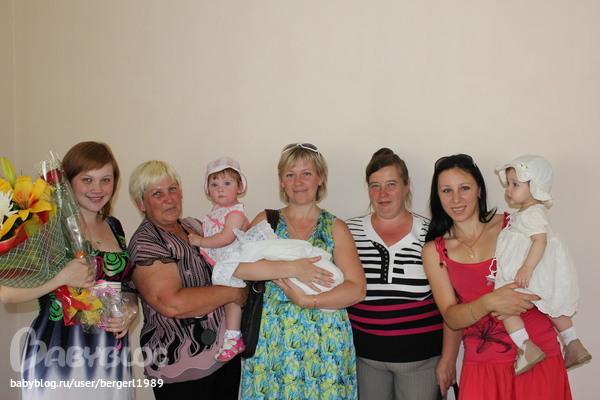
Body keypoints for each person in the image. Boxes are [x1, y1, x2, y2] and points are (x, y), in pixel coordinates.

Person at [422, 154, 572, 399]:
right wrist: (489, 302)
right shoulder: (435, 251)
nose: (456, 199)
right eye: (447, 190)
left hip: (540, 357)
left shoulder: (515, 225)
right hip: (483, 367)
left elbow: (553, 275)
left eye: (464, 188)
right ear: (438, 196)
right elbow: (452, 317)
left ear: (479, 190)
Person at [0, 141, 138, 400]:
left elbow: (126, 284)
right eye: (87, 180)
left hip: (111, 352)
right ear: (68, 181)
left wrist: (131, 310)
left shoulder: (114, 226)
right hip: (57, 352)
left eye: (105, 180)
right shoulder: (45, 227)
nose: (97, 189)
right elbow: (6, 294)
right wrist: (60, 278)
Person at [233, 143, 367, 399]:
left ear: (320, 178)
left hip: (326, 346)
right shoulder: (267, 221)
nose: (298, 182)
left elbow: (357, 289)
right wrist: (295, 268)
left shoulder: (335, 227)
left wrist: (309, 300)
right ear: (281, 182)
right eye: (290, 174)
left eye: (306, 173)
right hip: (273, 344)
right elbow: (239, 268)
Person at [346, 148, 460, 400]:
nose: (383, 194)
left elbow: (452, 304)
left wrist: (449, 359)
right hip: (365, 360)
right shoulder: (348, 231)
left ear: (407, 186)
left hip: (422, 361)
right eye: (375, 185)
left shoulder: (433, 233)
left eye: (391, 184)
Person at [127, 160, 247, 399]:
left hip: (223, 355)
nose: (169, 199)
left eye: (172, 189)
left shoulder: (194, 226)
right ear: (141, 203)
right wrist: (235, 293)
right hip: (180, 364)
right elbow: (172, 303)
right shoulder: (146, 243)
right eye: (157, 193)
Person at [493, 155, 591, 374]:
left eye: (515, 184)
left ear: (535, 187)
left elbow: (540, 241)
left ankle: (525, 348)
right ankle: (573, 344)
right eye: (509, 183)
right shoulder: (529, 213)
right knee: (553, 305)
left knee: (504, 307)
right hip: (540, 272)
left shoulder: (532, 214)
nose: (508, 189)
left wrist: (527, 268)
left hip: (530, 271)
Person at [187, 156, 251, 362]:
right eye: (214, 185)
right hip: (220, 262)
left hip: (233, 263)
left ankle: (234, 338)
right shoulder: (216, 211)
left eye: (227, 183)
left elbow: (225, 238)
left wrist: (200, 241)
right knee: (215, 292)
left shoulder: (236, 213)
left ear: (239, 187)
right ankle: (205, 311)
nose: (220, 189)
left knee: (231, 299)